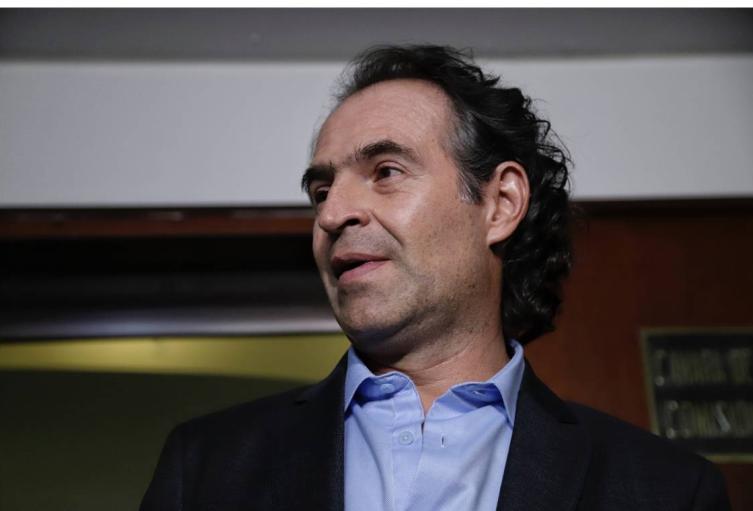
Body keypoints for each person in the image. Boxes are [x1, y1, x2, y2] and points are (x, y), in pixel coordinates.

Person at [141, 45, 730, 511]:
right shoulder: (206, 466)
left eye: (386, 171)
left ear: (500, 204)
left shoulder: (665, 490)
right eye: (321, 190)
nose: (331, 214)